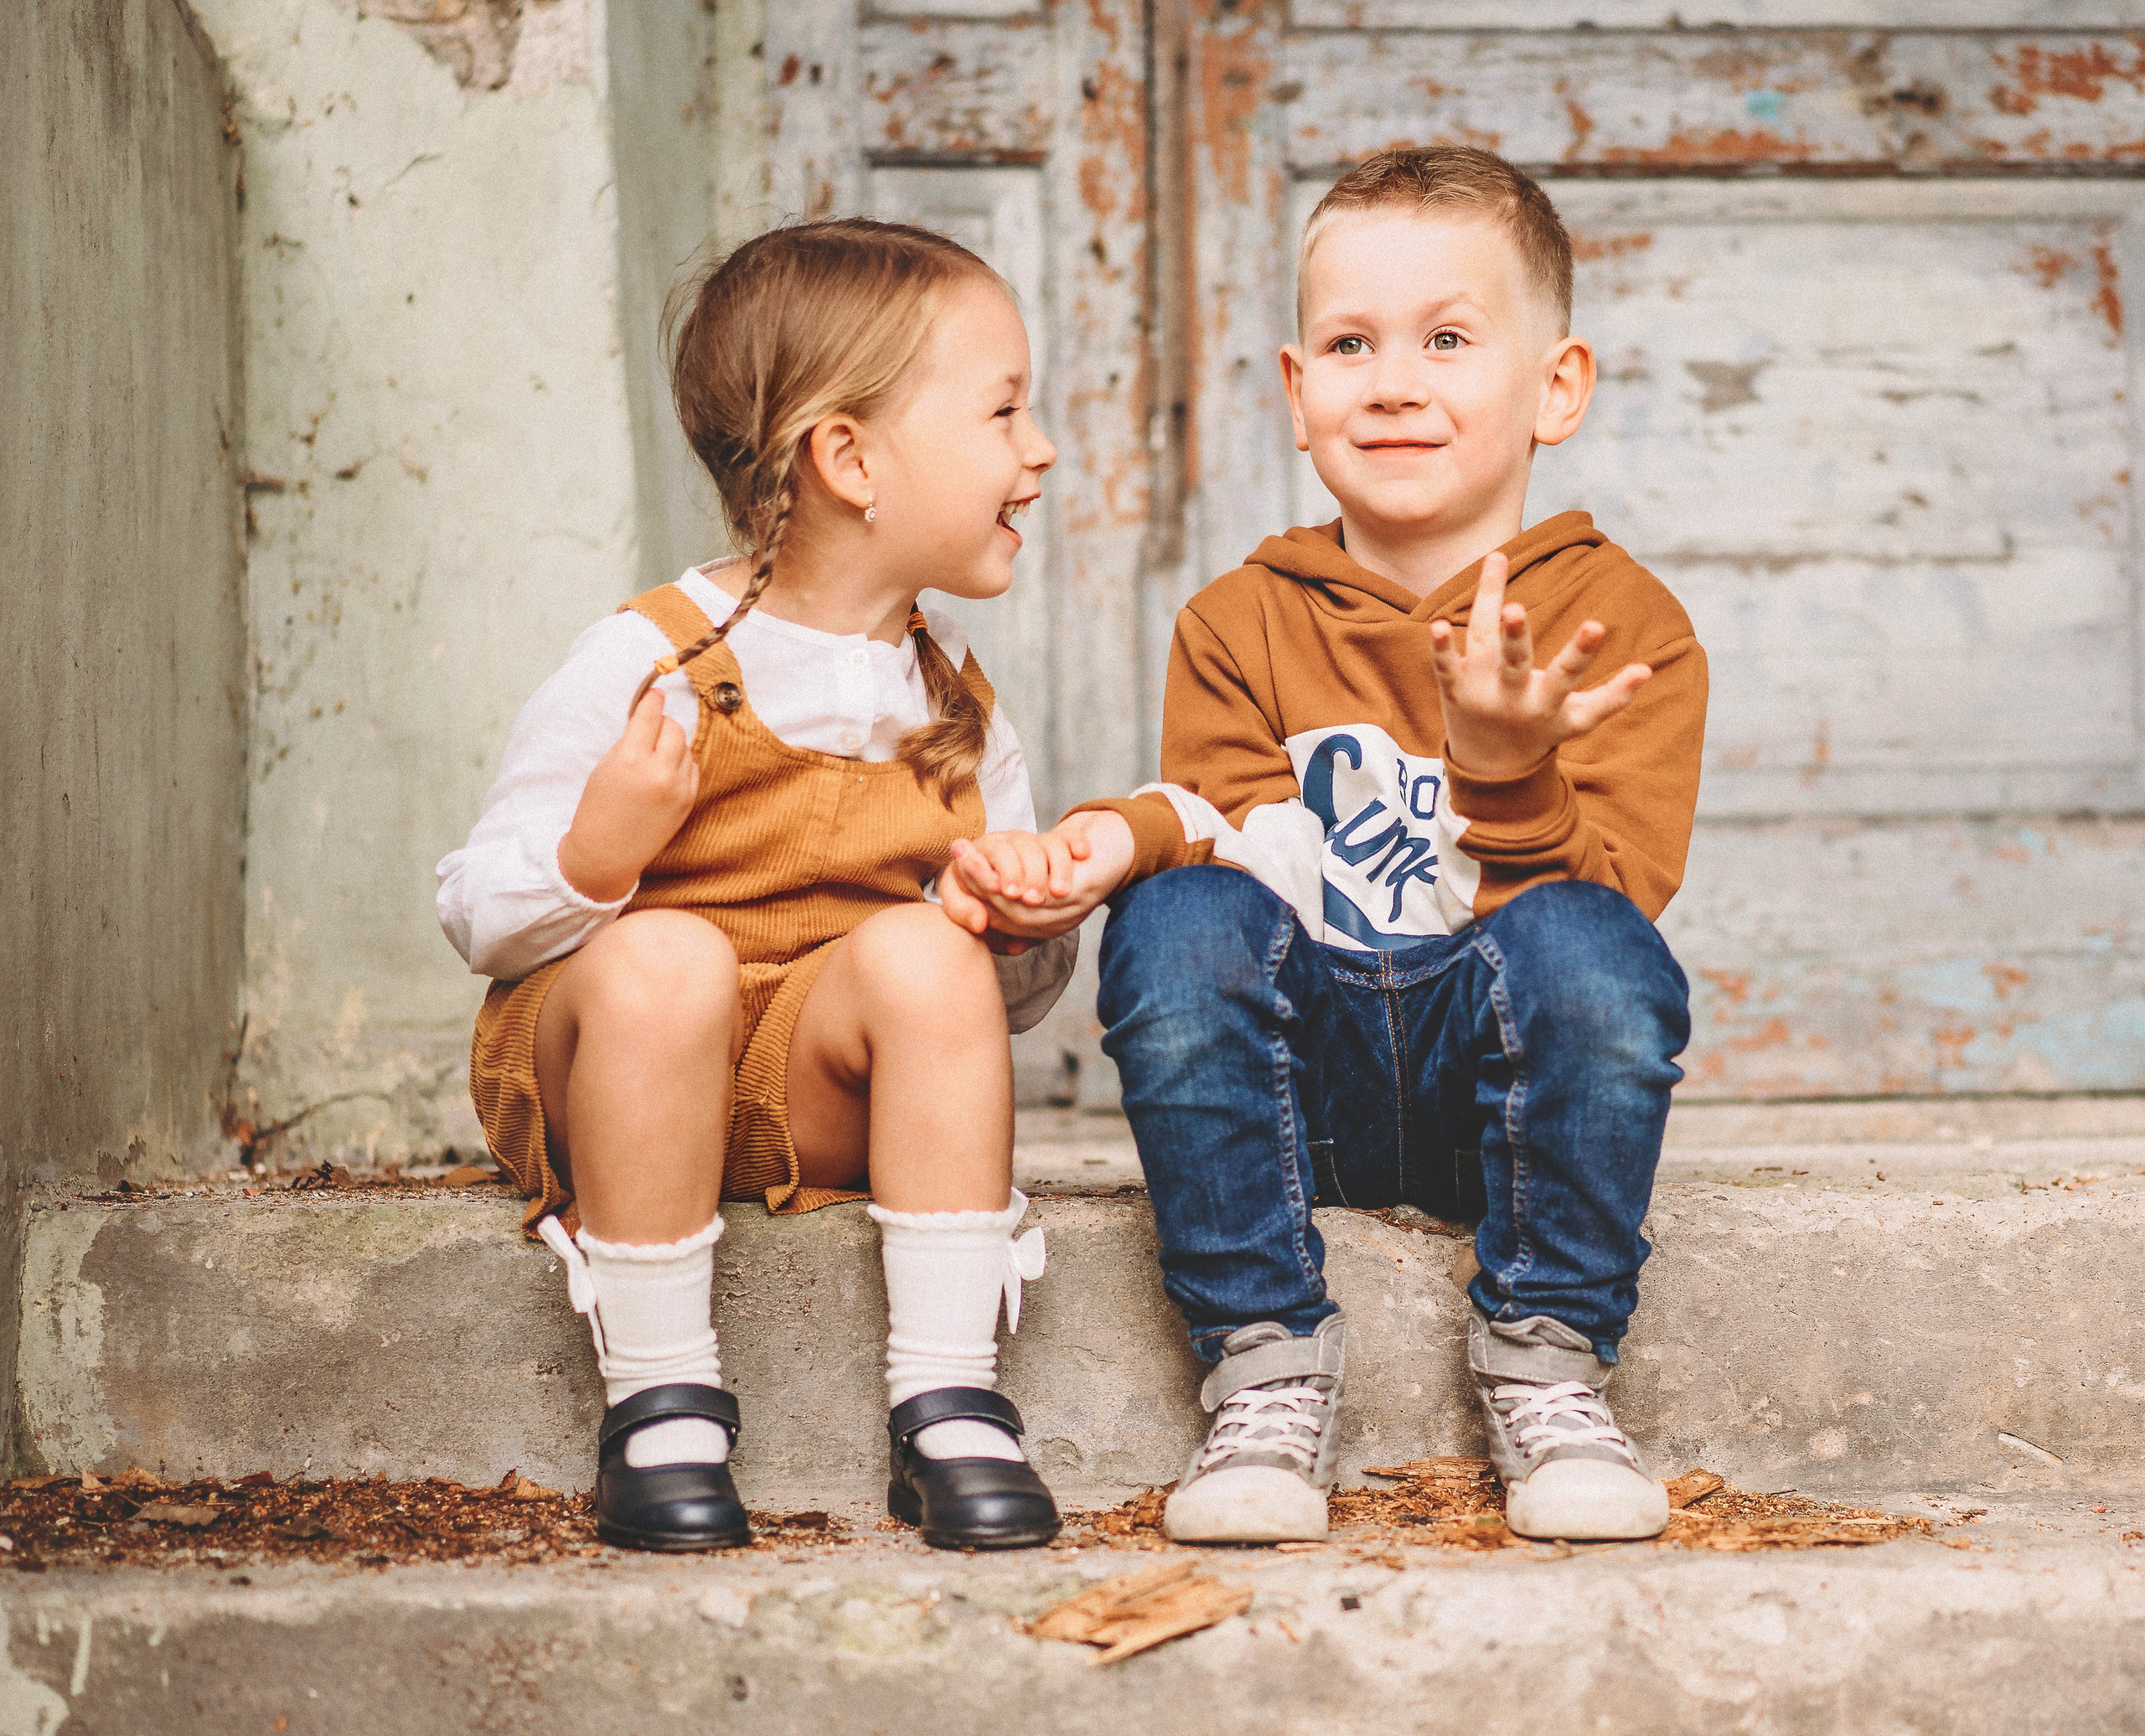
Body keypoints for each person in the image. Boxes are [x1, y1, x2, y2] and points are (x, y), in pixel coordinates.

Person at [940, 147, 1707, 1545]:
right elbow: (1237, 850)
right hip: (1307, 1097)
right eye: (1352, 345)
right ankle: (1266, 1364)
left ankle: (1548, 1362)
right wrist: (1120, 842)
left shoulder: (1622, 625)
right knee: (1176, 920)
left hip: (1502, 1099)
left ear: (1558, 388)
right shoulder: (1240, 621)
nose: (1394, 383)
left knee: (1593, 951)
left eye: (1449, 340)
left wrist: (1509, 772)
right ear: (1299, 395)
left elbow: (1608, 932)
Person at [437, 218, 1076, 1553]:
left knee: (927, 955)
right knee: (667, 958)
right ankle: (661, 1401)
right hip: (614, 1069)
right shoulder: (648, 660)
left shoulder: (956, 706)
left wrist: (1017, 928)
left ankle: (949, 1397)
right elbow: (481, 913)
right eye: (1006, 412)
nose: (1042, 451)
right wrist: (599, 853)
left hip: (805, 1093)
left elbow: (990, 1014)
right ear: (849, 461)